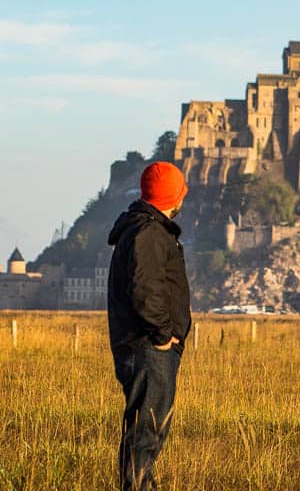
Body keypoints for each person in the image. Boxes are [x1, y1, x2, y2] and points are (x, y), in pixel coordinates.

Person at [107, 160, 191, 491]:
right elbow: (145, 289)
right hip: (148, 347)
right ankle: (139, 486)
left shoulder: (144, 229)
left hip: (143, 344)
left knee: (147, 426)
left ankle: (143, 484)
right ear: (174, 196)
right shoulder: (149, 233)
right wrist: (161, 336)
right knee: (147, 428)